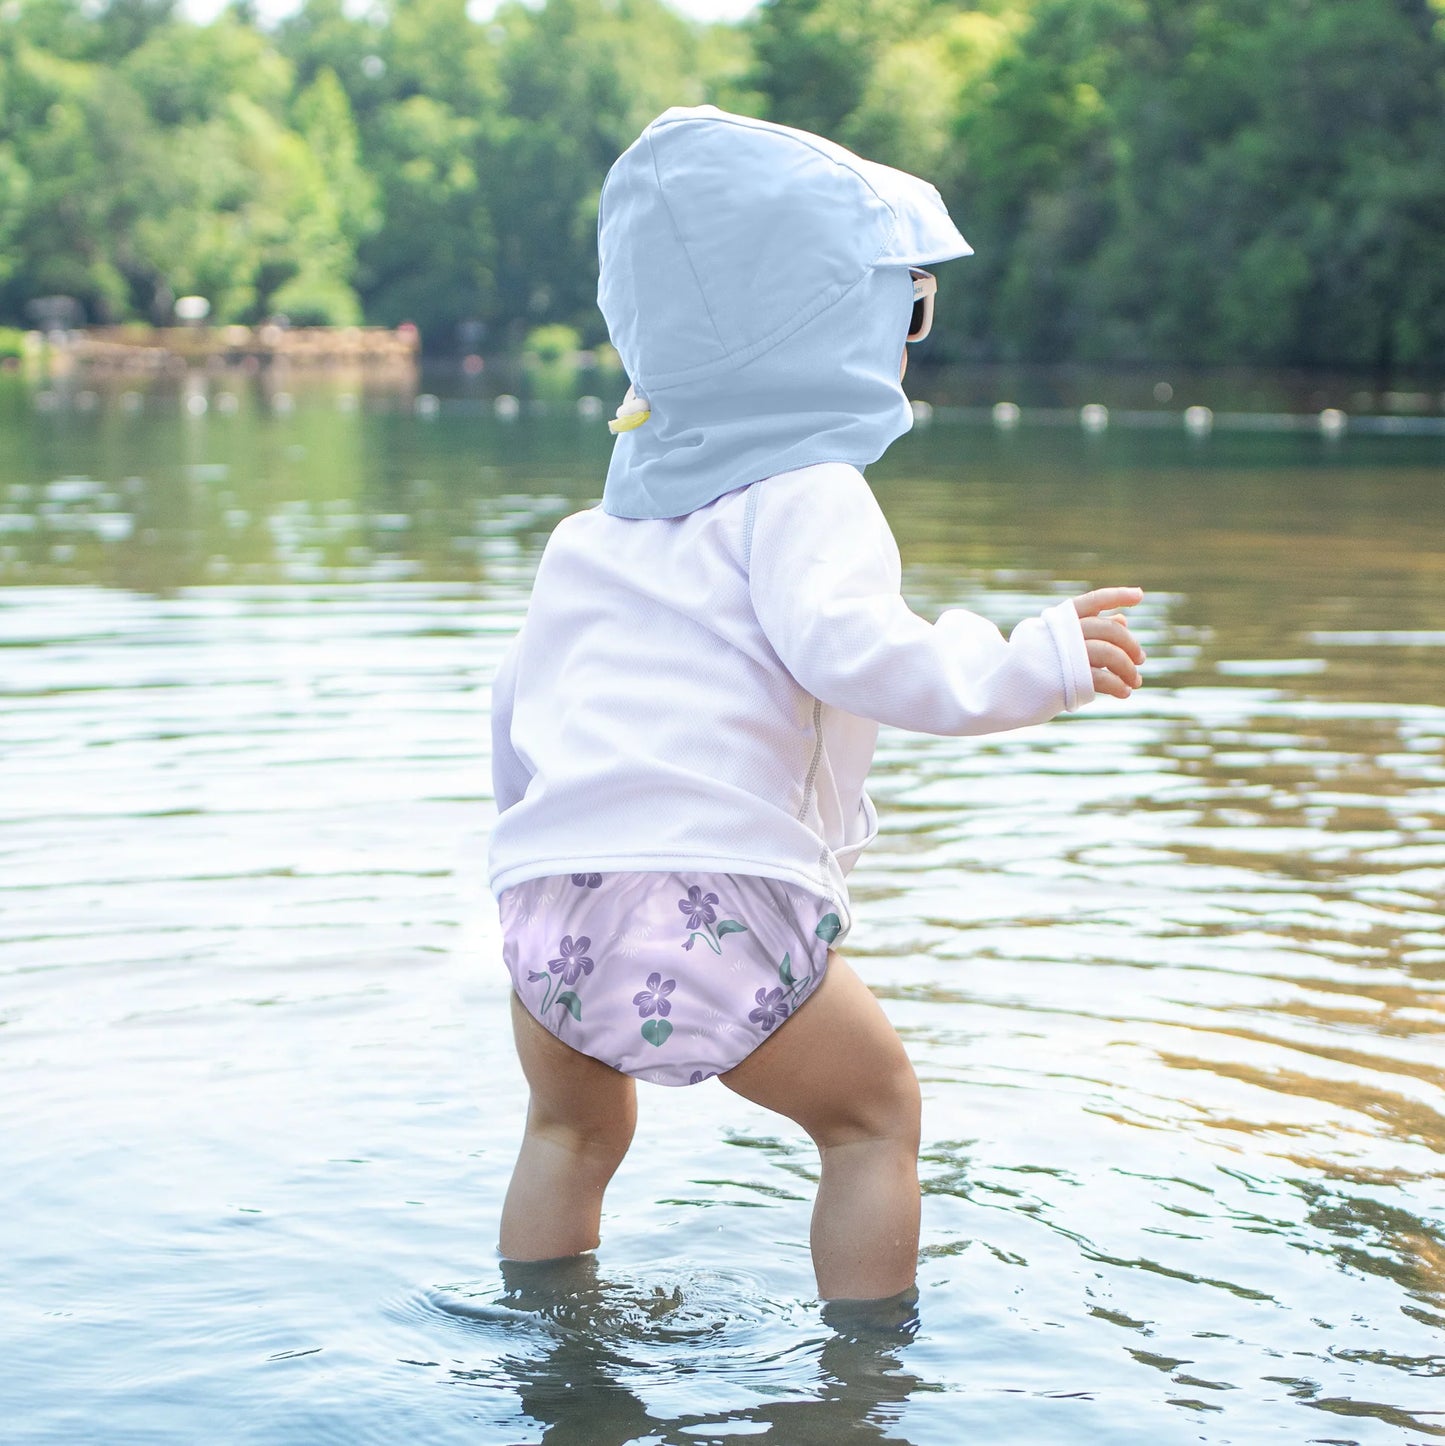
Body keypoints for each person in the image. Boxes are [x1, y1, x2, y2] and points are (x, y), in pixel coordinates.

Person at [487, 106, 1145, 1304]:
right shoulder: (806, 490)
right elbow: (854, 649)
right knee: (872, 1122)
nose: (907, 335)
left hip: (547, 900)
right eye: (900, 306)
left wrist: (539, 864)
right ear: (826, 330)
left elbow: (516, 717)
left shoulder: (588, 535)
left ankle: (552, 1372)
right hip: (714, 894)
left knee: (568, 1138)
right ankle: (858, 1395)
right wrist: (1030, 664)